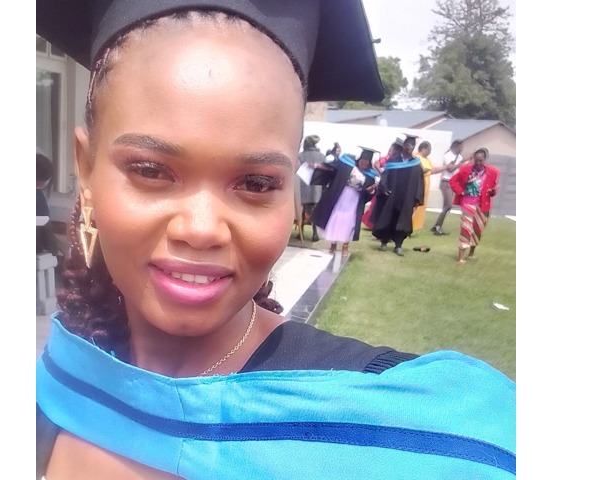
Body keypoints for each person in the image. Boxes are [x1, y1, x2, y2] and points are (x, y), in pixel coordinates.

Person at [36, 1, 515, 478]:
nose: (201, 229)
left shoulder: (417, 436)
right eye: (150, 170)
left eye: (256, 183)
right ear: (86, 169)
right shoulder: (63, 379)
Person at [310, 147, 379, 257]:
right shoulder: (347, 165)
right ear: (359, 159)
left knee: (349, 221)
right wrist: (318, 166)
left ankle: (345, 246)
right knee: (336, 217)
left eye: (366, 163)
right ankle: (333, 243)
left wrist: (371, 190)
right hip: (341, 196)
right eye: (362, 162)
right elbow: (332, 168)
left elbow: (368, 194)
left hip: (355, 200)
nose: (363, 165)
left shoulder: (370, 175)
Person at [371, 135, 425, 256]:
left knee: (403, 221)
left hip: (407, 198)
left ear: (413, 148)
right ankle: (384, 242)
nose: (408, 147)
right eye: (407, 145)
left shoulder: (415, 163)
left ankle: (398, 245)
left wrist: (417, 198)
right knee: (388, 218)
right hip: (392, 195)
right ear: (403, 146)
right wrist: (384, 187)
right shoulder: (394, 160)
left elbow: (419, 182)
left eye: (411, 145)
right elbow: (385, 175)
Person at [449, 147, 500, 263]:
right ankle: (461, 257)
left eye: (480, 161)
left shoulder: (494, 172)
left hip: (483, 204)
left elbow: (494, 189)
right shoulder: (465, 169)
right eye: (476, 160)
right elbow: (452, 181)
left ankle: (471, 253)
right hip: (468, 202)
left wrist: (492, 192)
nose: (477, 163)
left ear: (485, 159)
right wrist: (460, 191)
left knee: (478, 229)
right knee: (466, 227)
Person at [430, 139, 467, 236]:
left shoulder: (459, 157)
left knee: (447, 206)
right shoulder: (448, 155)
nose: (461, 149)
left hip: (453, 182)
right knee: (448, 205)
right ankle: (437, 226)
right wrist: (460, 162)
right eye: (460, 147)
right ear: (455, 146)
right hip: (446, 182)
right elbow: (450, 169)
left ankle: (438, 225)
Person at [298, 135, 326, 242]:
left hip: (303, 186)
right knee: (315, 210)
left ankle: (301, 232)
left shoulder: (300, 156)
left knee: (302, 209)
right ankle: (315, 233)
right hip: (317, 187)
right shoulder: (322, 156)